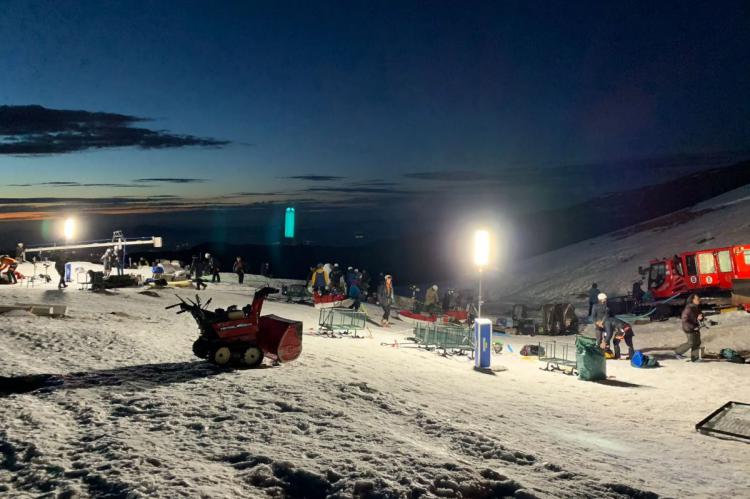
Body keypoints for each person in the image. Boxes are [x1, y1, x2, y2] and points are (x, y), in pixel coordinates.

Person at [676, 294, 704, 361]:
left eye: (699, 299)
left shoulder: (697, 307)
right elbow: (684, 320)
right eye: (697, 299)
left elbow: (700, 316)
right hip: (689, 328)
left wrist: (701, 318)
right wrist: (693, 326)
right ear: (692, 300)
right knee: (691, 343)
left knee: (697, 342)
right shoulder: (688, 308)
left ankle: (695, 358)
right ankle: (678, 352)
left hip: (696, 327)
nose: (699, 300)